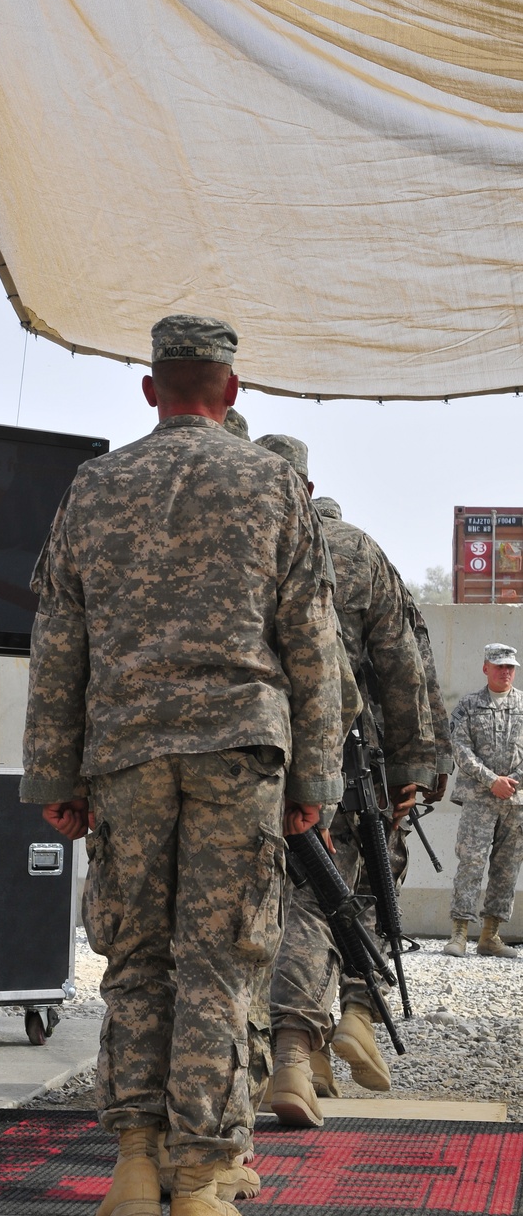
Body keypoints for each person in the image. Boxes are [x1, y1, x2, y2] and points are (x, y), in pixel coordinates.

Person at [21, 316, 343, 1216]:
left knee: (135, 959)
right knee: (220, 963)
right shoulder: (274, 484)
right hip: (239, 752)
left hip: (124, 752)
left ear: (152, 389)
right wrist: (313, 776)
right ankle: (200, 1190)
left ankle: (131, 1166)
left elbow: (60, 639)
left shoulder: (96, 484)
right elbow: (311, 645)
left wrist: (55, 771)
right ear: (232, 391)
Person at [255, 439, 437, 1124]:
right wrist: (413, 768)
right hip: (330, 760)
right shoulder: (351, 549)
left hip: (221, 760)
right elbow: (402, 666)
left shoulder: (212, 536)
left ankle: (296, 1059)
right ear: (307, 483)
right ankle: (303, 1047)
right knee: (322, 899)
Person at [444, 644, 523, 960]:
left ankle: (490, 936)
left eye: (510, 667)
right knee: (471, 862)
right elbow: (460, 750)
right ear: (485, 668)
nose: (505, 672)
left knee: (506, 868)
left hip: (516, 802)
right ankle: (459, 934)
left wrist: (512, 782)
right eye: (499, 666)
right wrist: (493, 781)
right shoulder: (468, 706)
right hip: (480, 800)